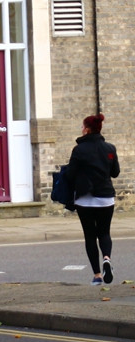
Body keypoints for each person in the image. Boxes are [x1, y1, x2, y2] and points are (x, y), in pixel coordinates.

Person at [65, 113, 120, 285]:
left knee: (90, 236)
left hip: (85, 200)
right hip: (105, 198)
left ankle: (97, 275)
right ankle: (107, 258)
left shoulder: (79, 150)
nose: (81, 130)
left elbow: (70, 174)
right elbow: (115, 173)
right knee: (104, 233)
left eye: (82, 127)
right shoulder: (110, 149)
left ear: (87, 130)